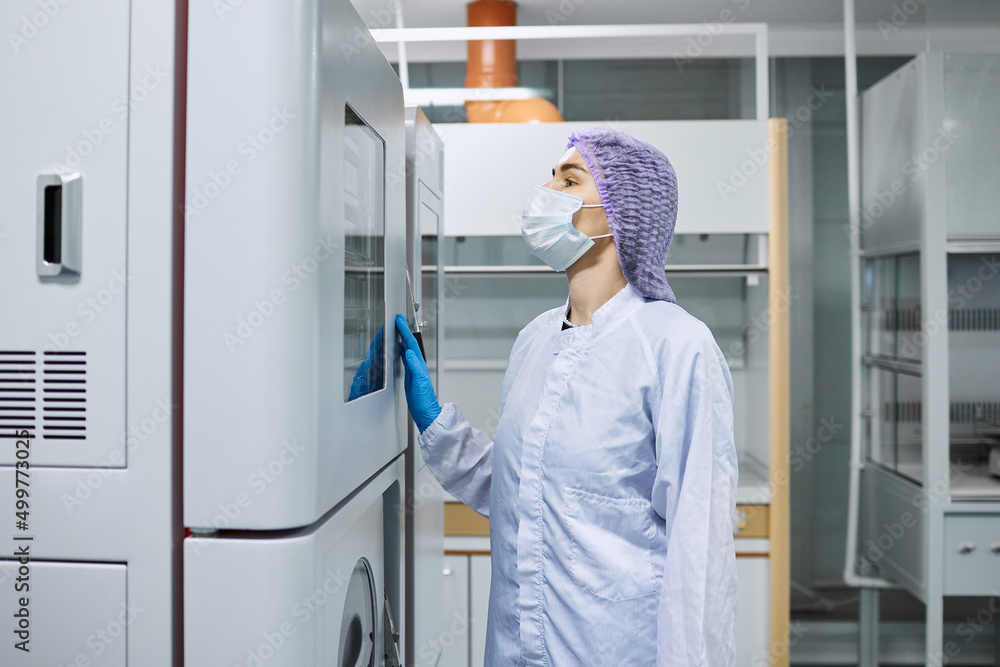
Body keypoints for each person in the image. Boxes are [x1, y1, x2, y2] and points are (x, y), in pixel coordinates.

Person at [395, 127, 739, 666]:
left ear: (620, 213)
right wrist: (436, 425)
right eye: (552, 173)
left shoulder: (676, 345)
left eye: (569, 178)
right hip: (513, 648)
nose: (547, 187)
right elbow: (522, 490)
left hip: (617, 650)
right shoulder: (535, 340)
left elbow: (701, 547)